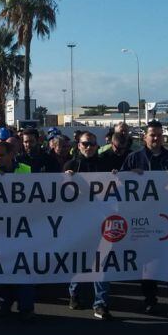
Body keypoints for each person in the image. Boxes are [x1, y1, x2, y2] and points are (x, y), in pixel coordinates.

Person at [120, 120, 168, 320]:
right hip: (142, 219)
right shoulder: (134, 158)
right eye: (152, 134)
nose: (156, 138)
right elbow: (119, 181)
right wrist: (129, 175)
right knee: (147, 264)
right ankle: (150, 300)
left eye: (159, 134)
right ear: (145, 137)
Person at [0, 131, 35, 320]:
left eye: (2, 155)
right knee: (4, 267)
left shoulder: (26, 170)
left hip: (22, 227)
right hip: (0, 228)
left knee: (23, 268)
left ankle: (26, 307)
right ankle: (4, 305)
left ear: (12, 154)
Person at [63, 131, 113, 318]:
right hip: (78, 222)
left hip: (102, 221)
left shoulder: (105, 165)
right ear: (79, 145)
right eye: (85, 144)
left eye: (92, 144)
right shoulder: (71, 165)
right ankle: (74, 293)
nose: (89, 147)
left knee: (101, 263)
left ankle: (100, 302)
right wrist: (65, 178)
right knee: (80, 261)